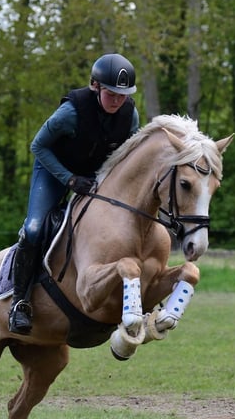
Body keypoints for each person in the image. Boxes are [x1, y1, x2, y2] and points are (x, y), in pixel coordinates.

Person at [8, 53, 140, 334]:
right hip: (54, 172)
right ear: (95, 86)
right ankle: (19, 301)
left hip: (93, 177)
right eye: (111, 93)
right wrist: (68, 180)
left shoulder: (130, 115)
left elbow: (129, 158)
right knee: (33, 230)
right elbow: (38, 146)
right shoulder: (71, 112)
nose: (118, 100)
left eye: (123, 95)